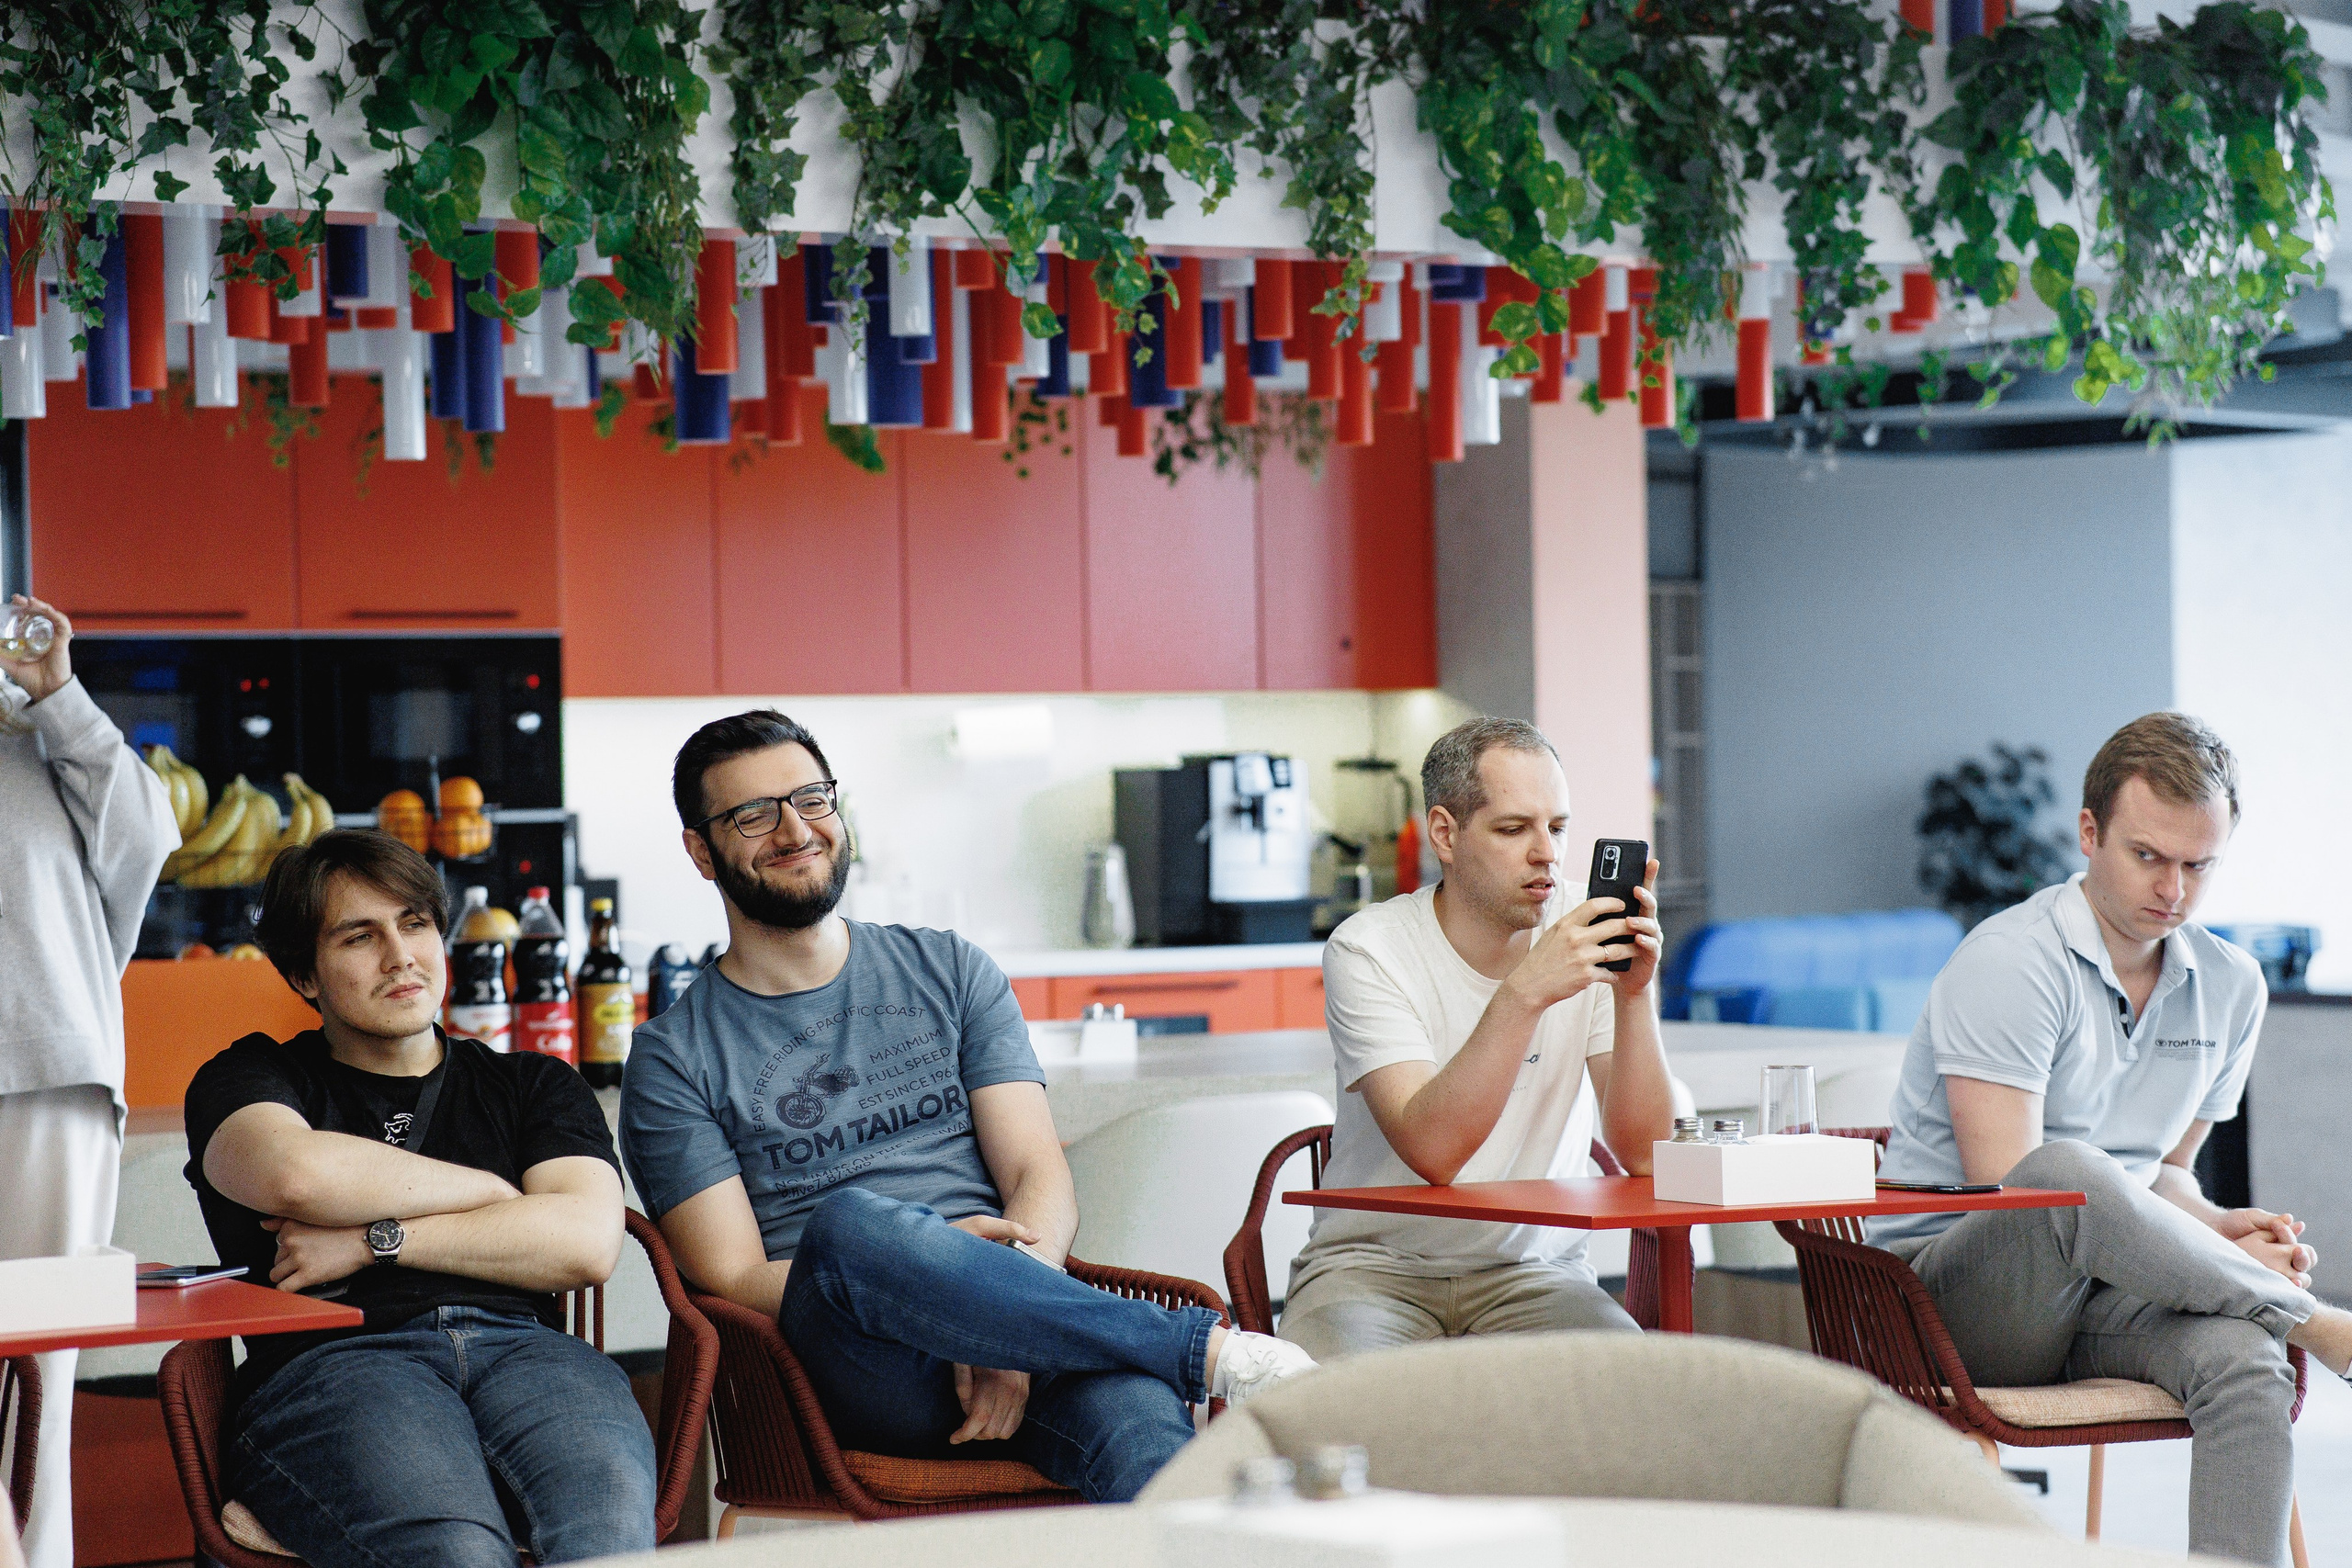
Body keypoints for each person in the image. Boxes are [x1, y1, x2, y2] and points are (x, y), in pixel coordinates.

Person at [621, 711, 1315, 1504]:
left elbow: (1036, 1168)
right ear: (701, 850)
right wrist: (934, 1293)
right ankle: (1205, 1350)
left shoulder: (949, 968)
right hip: (858, 1366)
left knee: (1152, 1443)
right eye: (753, 814)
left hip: (1027, 1326)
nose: (794, 828)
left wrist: (992, 1309)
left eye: (811, 798)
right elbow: (734, 1274)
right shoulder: (674, 1057)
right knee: (849, 1225)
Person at [1873, 712, 2352, 1566]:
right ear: (2089, 833)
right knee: (2065, 1171)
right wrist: (2223, 1263)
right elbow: (2015, 1189)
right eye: (2148, 855)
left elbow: (2167, 1175)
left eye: (2198, 864)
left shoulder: (2232, 985)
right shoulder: (2010, 961)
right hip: (1955, 1304)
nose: (2173, 888)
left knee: (2245, 1358)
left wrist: (2218, 1227)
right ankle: (2314, 1322)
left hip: (2104, 1289)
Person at [182, 831, 655, 1566]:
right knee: (454, 1551)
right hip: (339, 1363)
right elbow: (296, 1175)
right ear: (305, 974)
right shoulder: (249, 1077)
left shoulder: (534, 1083)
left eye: (414, 924)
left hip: (528, 1353)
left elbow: (587, 1243)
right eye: (359, 936)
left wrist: (373, 1238)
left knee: (609, 1530)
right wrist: (493, 1194)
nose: (400, 955)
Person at [1277, 716, 1676, 1361]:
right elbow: (1435, 1150)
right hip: (1374, 1272)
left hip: (1537, 1275)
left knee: (1631, 1394)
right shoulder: (1368, 948)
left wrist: (1633, 997)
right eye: (1515, 829)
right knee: (1337, 1411)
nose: (1546, 852)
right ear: (1446, 833)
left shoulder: (1587, 931)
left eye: (1558, 827)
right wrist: (1526, 990)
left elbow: (1648, 1154)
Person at [0, 593, 176, 1568]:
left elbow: (147, 839)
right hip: (48, 1074)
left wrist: (57, 690)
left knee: (37, 1386)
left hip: (44, 1079)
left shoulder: (36, 721)